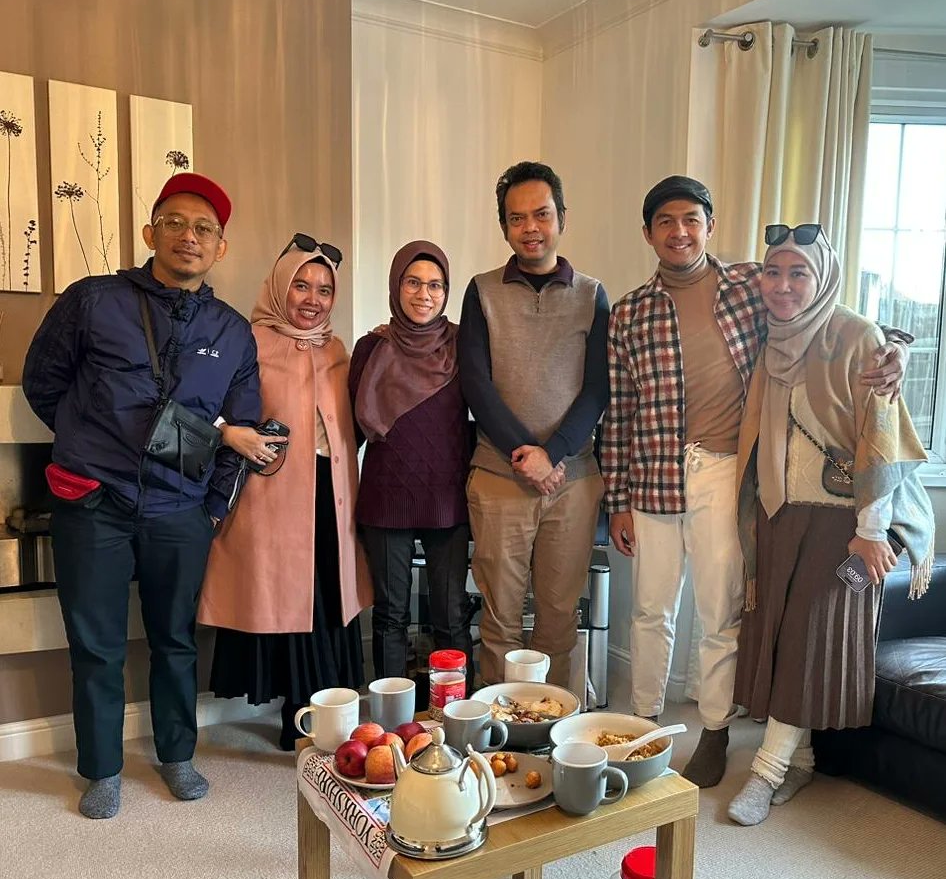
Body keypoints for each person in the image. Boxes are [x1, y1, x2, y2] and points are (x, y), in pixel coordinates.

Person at [602, 176, 909, 788]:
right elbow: (619, 410)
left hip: (724, 471)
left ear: (709, 226)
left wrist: (893, 344)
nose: (679, 231)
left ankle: (714, 730)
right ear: (648, 234)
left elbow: (822, 306)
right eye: (665, 221)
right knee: (648, 609)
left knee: (719, 609)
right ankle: (640, 724)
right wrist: (617, 501)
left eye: (691, 219)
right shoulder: (629, 311)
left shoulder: (750, 286)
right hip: (652, 472)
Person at [23, 173, 260, 818]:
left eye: (204, 228)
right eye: (176, 223)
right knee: (94, 642)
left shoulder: (234, 332)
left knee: (175, 639)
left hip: (180, 510)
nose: (189, 237)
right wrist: (86, 442)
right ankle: (100, 769)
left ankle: (177, 755)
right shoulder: (93, 300)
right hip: (92, 502)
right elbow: (42, 385)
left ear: (221, 248)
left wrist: (210, 511)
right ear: (150, 231)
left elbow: (245, 428)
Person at [726, 224, 934, 825]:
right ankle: (803, 760)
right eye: (774, 271)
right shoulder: (772, 331)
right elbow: (713, 273)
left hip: (843, 518)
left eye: (800, 273)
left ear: (825, 279)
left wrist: (872, 528)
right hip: (777, 510)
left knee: (808, 638)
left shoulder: (855, 334)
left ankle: (764, 771)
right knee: (778, 632)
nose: (784, 285)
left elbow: (880, 429)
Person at [197, 235, 372, 751]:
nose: (313, 298)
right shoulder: (246, 340)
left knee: (324, 599)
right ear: (280, 286)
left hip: (331, 494)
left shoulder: (337, 348)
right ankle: (296, 711)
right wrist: (229, 432)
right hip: (270, 500)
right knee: (284, 598)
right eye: (301, 284)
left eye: (324, 288)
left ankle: (328, 705)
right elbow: (209, 403)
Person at [458, 161, 609, 688]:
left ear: (561, 218)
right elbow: (476, 383)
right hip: (500, 477)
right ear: (504, 227)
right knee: (499, 621)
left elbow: (597, 390)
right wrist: (529, 454)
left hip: (572, 481)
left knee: (558, 620)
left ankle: (553, 733)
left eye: (541, 214)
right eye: (517, 218)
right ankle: (502, 734)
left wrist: (555, 455)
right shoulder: (481, 291)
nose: (530, 228)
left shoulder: (593, 295)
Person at [349, 241, 474, 687]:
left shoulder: (465, 346)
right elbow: (350, 428)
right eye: (414, 282)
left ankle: (458, 717)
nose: (425, 294)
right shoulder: (371, 348)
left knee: (451, 615)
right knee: (390, 616)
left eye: (436, 285)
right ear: (396, 286)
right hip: (386, 500)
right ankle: (389, 721)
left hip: (447, 498)